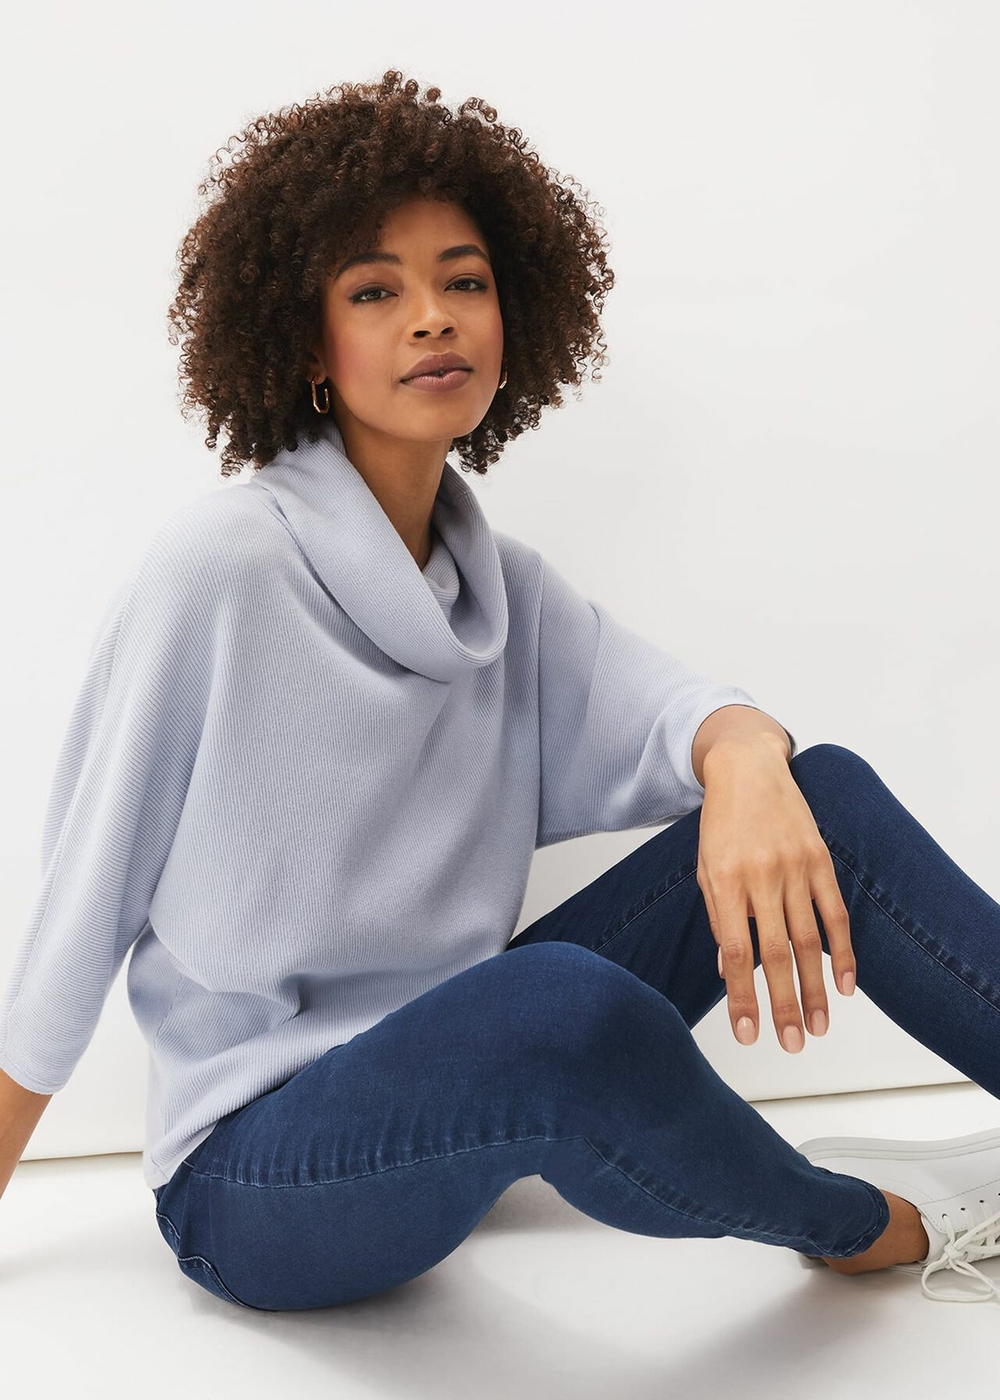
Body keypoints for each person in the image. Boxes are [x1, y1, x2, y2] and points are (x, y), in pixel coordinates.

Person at [2, 69, 1000, 1313]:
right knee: (554, 1004)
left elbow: (681, 712)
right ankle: (875, 1226)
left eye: (463, 282)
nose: (433, 317)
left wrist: (746, 755)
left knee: (820, 796)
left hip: (455, 1085)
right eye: (376, 290)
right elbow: (77, 919)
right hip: (254, 1181)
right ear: (308, 346)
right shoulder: (222, 569)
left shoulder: (501, 589)